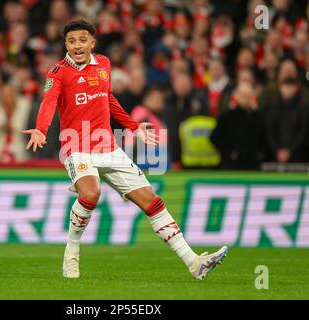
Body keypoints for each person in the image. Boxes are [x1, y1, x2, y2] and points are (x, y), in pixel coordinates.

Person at [22, 19, 228, 280]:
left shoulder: (104, 65)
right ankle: (71, 252)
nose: (77, 45)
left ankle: (194, 262)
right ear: (66, 44)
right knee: (91, 193)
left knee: (151, 202)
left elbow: (108, 98)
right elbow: (49, 101)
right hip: (77, 147)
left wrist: (132, 126)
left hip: (109, 147)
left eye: (82, 40)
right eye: (72, 40)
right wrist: (41, 127)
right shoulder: (57, 72)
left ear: (92, 43)